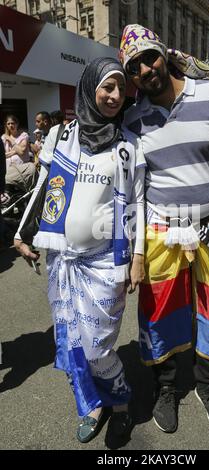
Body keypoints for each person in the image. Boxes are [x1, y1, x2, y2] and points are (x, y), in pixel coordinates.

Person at [119, 24, 209, 434]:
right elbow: (136, 189)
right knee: (160, 312)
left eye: (149, 57)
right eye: (135, 66)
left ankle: (206, 384)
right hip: (162, 232)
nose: (145, 69)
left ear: (163, 53)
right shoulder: (134, 119)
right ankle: (165, 388)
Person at [14, 57, 145, 443]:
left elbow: (136, 203)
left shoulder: (128, 146)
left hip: (106, 262)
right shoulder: (61, 135)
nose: (116, 96)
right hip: (63, 259)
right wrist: (23, 233)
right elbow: (42, 188)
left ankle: (120, 399)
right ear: (90, 87)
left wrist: (137, 258)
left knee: (96, 346)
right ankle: (91, 405)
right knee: (72, 342)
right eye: (108, 87)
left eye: (121, 88)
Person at [1, 115, 36, 192]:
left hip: (23, 171)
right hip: (9, 172)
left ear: (17, 124)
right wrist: (15, 151)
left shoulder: (23, 135)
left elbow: (21, 152)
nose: (11, 125)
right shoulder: (3, 138)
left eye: (12, 123)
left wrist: (10, 139)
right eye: (8, 124)